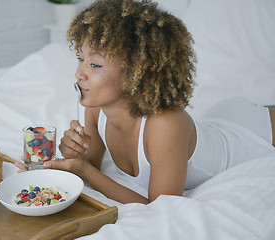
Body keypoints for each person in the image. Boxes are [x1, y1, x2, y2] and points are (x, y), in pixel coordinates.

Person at [16, 0, 275, 204]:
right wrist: (75, 155)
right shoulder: (94, 107)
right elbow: (91, 164)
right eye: (80, 59)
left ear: (135, 72)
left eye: (94, 64)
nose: (79, 74)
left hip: (249, 134)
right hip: (220, 121)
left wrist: (83, 170)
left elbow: (162, 206)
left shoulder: (166, 124)